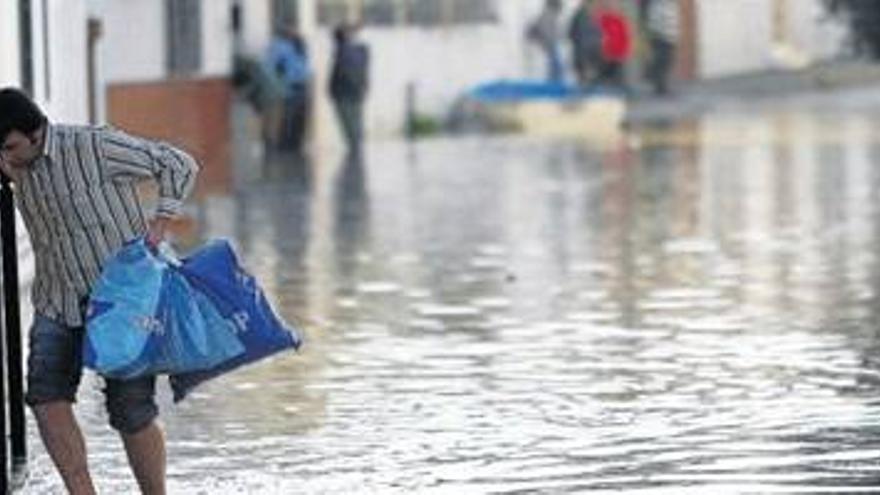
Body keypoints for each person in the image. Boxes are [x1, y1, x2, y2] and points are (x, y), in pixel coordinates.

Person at [0, 87, 199, 494]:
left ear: (36, 134)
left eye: (10, 147)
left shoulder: (95, 145)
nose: (6, 158)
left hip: (122, 301)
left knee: (130, 409)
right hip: (58, 299)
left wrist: (160, 225)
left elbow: (178, 164)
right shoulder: (13, 165)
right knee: (43, 395)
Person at [266, 24, 312, 153]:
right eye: (291, 30)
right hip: (288, 87)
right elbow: (270, 67)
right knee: (288, 117)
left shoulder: (300, 45)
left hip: (303, 85)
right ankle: (284, 145)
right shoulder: (278, 46)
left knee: (300, 117)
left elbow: (304, 65)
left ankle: (296, 144)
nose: (294, 32)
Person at [329, 23, 370, 154]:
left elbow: (341, 72)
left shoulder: (343, 51)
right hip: (355, 89)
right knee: (356, 118)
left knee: (349, 120)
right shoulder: (361, 50)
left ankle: (354, 145)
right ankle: (356, 145)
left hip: (344, 91)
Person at [643, 0, 680, 95]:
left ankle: (661, 85)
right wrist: (656, 34)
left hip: (670, 36)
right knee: (662, 61)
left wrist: (675, 35)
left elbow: (674, 20)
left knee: (667, 61)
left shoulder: (671, 4)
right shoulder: (657, 5)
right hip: (661, 36)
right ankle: (660, 86)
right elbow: (655, 21)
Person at [594, 0, 633, 89]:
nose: (610, 6)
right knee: (603, 78)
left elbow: (625, 38)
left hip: (617, 56)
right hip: (604, 56)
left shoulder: (619, 21)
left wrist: (624, 53)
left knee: (617, 80)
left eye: (612, 4)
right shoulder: (600, 20)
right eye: (607, 4)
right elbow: (598, 38)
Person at [527, 0, 565, 83]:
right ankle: (554, 82)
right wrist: (547, 43)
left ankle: (556, 81)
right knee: (555, 65)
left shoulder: (550, 15)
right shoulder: (548, 15)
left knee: (556, 65)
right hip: (549, 45)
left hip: (550, 45)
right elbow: (546, 31)